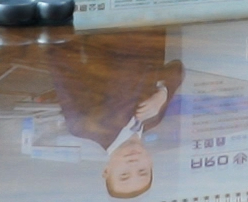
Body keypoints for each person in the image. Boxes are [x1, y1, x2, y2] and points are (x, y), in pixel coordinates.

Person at [43, 33, 186, 199]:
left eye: (124, 174)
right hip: (151, 27)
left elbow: (60, 60)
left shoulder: (85, 127)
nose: (133, 164)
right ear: (151, 163)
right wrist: (164, 92)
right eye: (142, 171)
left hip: (107, 28)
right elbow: (177, 69)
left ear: (106, 171)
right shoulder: (154, 119)